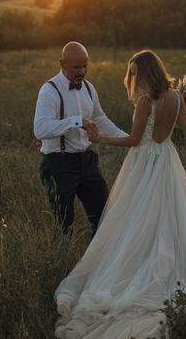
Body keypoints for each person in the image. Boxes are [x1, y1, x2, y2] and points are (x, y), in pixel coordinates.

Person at [54, 49, 186, 339]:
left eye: (134, 72)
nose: (131, 79)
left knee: (134, 220)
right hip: (167, 163)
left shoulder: (145, 102)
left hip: (144, 163)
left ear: (146, 73)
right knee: (169, 215)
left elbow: (134, 140)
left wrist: (98, 137)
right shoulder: (177, 97)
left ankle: (140, 265)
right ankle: (168, 258)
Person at [34, 42, 127, 236]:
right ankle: (63, 260)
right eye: (76, 67)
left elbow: (100, 119)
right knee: (64, 223)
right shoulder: (49, 90)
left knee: (103, 216)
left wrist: (128, 139)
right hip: (58, 163)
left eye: (85, 66)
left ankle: (99, 261)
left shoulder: (89, 88)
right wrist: (76, 121)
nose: (82, 71)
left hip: (87, 161)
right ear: (62, 63)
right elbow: (40, 129)